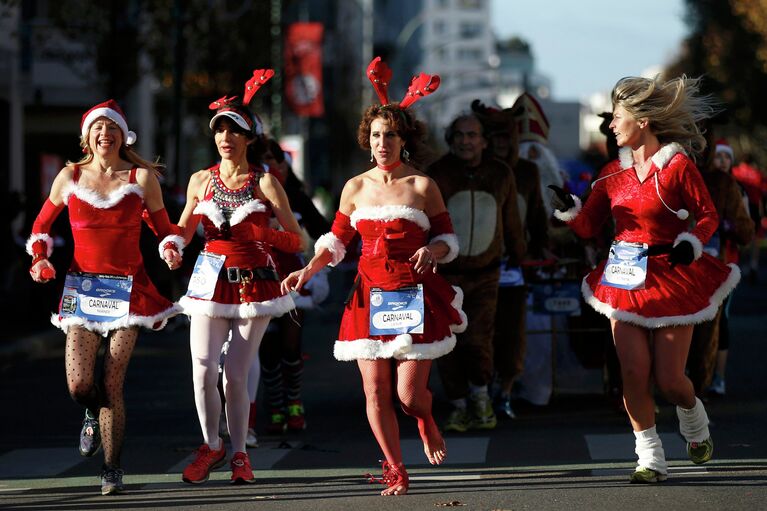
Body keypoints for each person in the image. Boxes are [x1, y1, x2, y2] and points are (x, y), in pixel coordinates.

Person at [281, 57, 466, 496]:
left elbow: (448, 240)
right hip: (368, 297)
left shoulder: (423, 186)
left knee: (408, 396)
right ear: (369, 141)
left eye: (391, 135)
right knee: (375, 391)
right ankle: (396, 469)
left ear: (404, 140)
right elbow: (337, 241)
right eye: (377, 135)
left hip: (413, 296)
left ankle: (425, 419)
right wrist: (309, 267)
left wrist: (431, 249)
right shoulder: (355, 187)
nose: (384, 142)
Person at [548, 76, 741, 483]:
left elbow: (707, 215)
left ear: (643, 121)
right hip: (623, 277)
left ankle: (694, 421)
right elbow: (588, 226)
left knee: (670, 380)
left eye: (617, 118)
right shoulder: (611, 173)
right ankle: (650, 456)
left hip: (672, 276)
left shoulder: (677, 166)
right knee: (633, 372)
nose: (611, 126)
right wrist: (569, 208)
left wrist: (692, 241)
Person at [26, 99, 180, 495]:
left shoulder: (141, 179)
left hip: (128, 293)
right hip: (81, 290)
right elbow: (41, 227)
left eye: (111, 128)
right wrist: (40, 260)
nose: (104, 134)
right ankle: (90, 414)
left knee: (113, 381)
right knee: (80, 385)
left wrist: (170, 248)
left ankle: (112, 469)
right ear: (87, 137)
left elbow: (164, 229)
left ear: (122, 135)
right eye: (97, 128)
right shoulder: (69, 176)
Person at [165, 69, 305, 485]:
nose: (225, 137)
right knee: (202, 369)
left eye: (233, 130)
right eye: (219, 130)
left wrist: (257, 233)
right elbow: (183, 231)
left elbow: (295, 241)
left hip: (253, 283)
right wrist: (171, 247)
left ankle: (241, 453)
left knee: (236, 375)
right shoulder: (199, 180)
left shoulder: (265, 182)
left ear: (248, 138)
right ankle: (212, 445)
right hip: (208, 281)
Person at [428, 112, 525, 432]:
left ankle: (480, 397)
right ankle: (458, 404)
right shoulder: (436, 175)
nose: (465, 141)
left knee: (478, 339)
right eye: (459, 135)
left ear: (483, 141)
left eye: (472, 135)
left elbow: (511, 222)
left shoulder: (501, 174)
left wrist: (521, 254)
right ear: (450, 139)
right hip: (444, 274)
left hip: (486, 273)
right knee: (446, 341)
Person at [470, 100, 549, 419]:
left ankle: (504, 391)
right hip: (476, 270)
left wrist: (541, 245)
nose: (501, 143)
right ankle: (481, 391)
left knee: (512, 336)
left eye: (506, 137)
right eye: (495, 137)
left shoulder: (528, 172)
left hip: (514, 270)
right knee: (478, 336)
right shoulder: (475, 171)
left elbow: (537, 216)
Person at [257, 139, 331, 438]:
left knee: (290, 345)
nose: (272, 166)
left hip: (292, 279)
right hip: (258, 279)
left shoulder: (297, 198)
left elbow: (324, 232)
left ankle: (294, 402)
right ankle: (274, 405)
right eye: (264, 160)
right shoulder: (250, 192)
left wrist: (319, 268)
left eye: (276, 159)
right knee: (266, 347)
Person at [691, 138, 754, 396]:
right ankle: (691, 370)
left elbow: (746, 228)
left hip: (726, 265)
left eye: (727, 157)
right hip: (696, 264)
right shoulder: (699, 182)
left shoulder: (735, 188)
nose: (722, 161)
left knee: (721, 322)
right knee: (693, 320)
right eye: (719, 156)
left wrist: (732, 227)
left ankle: (718, 376)